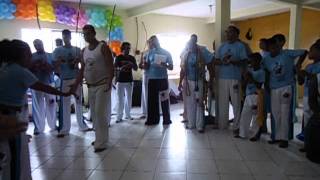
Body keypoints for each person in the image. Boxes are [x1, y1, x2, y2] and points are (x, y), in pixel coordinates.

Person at [0, 39, 71, 180]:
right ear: (19, 56)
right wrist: (64, 93)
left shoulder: (6, 67)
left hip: (7, 116)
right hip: (9, 118)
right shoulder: (19, 71)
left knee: (10, 156)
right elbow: (41, 86)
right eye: (28, 54)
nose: (31, 57)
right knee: (14, 159)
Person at [72, 25, 114, 152]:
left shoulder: (103, 47)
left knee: (101, 113)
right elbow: (82, 69)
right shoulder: (84, 51)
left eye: (88, 33)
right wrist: (75, 85)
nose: (86, 36)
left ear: (94, 33)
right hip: (90, 86)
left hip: (102, 84)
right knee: (95, 115)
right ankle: (99, 138)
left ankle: (102, 143)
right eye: (84, 34)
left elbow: (110, 66)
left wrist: (109, 82)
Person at [263, 37, 307, 148]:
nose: (273, 50)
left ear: (279, 46)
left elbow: (304, 52)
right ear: (268, 49)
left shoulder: (287, 53)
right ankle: (276, 137)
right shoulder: (266, 59)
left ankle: (284, 138)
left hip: (286, 86)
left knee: (285, 113)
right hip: (273, 88)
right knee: (275, 113)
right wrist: (267, 84)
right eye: (271, 48)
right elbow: (266, 72)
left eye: (275, 47)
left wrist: (298, 65)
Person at [53, 29, 90, 138]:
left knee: (78, 102)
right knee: (65, 104)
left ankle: (82, 126)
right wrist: (59, 62)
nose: (66, 38)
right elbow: (55, 66)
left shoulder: (77, 50)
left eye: (68, 36)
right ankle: (64, 129)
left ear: (70, 37)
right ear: (62, 37)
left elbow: (83, 64)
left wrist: (77, 60)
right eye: (64, 36)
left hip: (76, 78)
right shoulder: (57, 51)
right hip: (64, 79)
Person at [213, 25, 248, 136]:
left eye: (231, 32)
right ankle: (222, 124)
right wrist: (223, 61)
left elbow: (244, 62)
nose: (228, 34)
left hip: (235, 78)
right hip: (222, 77)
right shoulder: (222, 46)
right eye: (227, 32)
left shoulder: (240, 46)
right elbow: (216, 61)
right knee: (222, 102)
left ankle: (236, 127)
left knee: (236, 102)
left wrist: (233, 61)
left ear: (237, 34)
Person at [179, 34, 214, 133]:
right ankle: (191, 124)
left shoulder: (203, 52)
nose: (190, 46)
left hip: (199, 81)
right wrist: (180, 82)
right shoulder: (186, 54)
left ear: (196, 43)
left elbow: (211, 66)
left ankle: (200, 125)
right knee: (190, 104)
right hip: (188, 81)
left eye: (193, 43)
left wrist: (211, 80)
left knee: (199, 103)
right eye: (189, 44)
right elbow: (182, 70)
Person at [144, 35, 173, 125]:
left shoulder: (166, 52)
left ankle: (166, 119)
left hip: (162, 79)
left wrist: (165, 65)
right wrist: (144, 64)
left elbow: (171, 67)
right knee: (152, 100)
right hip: (152, 79)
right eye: (150, 42)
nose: (151, 43)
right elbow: (147, 66)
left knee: (164, 99)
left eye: (153, 41)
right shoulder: (149, 53)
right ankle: (152, 120)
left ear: (157, 41)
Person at [30, 39, 57, 135]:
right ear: (34, 46)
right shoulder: (31, 57)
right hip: (36, 84)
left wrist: (45, 65)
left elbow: (53, 69)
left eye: (39, 44)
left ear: (42, 44)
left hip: (49, 83)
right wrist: (35, 65)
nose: (38, 46)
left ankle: (53, 125)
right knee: (38, 106)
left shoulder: (50, 55)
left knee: (52, 104)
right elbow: (29, 70)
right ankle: (38, 128)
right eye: (35, 45)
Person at [297, 43, 320, 144]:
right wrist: (299, 72)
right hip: (306, 96)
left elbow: (317, 80)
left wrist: (307, 74)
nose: (309, 52)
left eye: (312, 50)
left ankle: (313, 143)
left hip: (316, 97)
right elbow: (301, 82)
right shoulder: (309, 66)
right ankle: (307, 142)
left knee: (315, 119)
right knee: (306, 119)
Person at [239, 53, 265, 140]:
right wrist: (245, 78)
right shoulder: (249, 70)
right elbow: (244, 84)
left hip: (256, 95)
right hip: (248, 95)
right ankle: (242, 133)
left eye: (252, 61)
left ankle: (254, 134)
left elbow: (259, 85)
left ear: (258, 61)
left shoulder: (261, 72)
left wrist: (251, 78)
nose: (250, 62)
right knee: (244, 115)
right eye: (250, 61)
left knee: (255, 116)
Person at [114, 42, 138, 123]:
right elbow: (115, 67)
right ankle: (119, 117)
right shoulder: (118, 57)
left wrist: (132, 64)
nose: (128, 49)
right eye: (126, 48)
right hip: (120, 80)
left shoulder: (132, 58)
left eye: (129, 48)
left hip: (129, 80)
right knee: (120, 99)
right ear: (122, 49)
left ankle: (128, 115)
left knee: (129, 99)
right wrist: (121, 68)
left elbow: (136, 68)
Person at [139, 39, 153, 119]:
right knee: (145, 92)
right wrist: (142, 65)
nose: (150, 44)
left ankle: (155, 110)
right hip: (145, 74)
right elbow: (140, 65)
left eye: (151, 43)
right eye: (149, 43)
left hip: (154, 74)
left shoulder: (155, 52)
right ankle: (144, 112)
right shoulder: (144, 53)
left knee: (154, 92)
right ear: (147, 43)